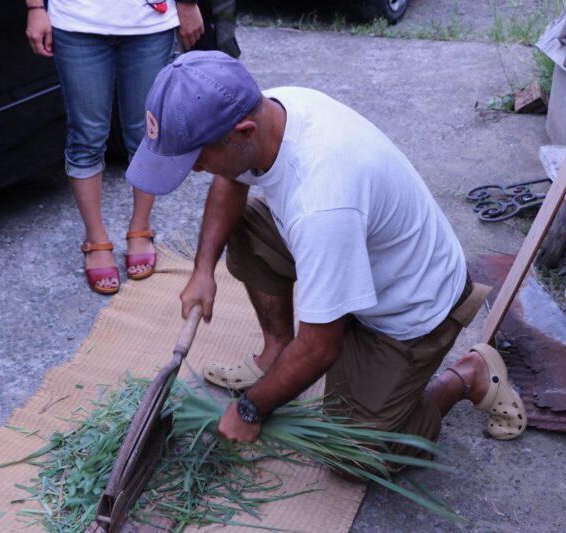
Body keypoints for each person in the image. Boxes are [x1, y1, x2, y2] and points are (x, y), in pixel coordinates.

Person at [126, 51, 527, 461]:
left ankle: (468, 376)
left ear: (244, 132)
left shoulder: (322, 202)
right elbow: (232, 180)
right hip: (357, 257)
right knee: (245, 221)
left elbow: (320, 348)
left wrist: (251, 408)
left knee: (357, 452)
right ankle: (278, 352)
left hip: (409, 307)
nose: (194, 171)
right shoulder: (268, 112)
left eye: (196, 158)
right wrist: (202, 270)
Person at [25, 0, 204, 295]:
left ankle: (141, 228)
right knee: (86, 136)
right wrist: (35, 7)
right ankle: (96, 239)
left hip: (150, 22)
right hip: (76, 21)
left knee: (148, 131)